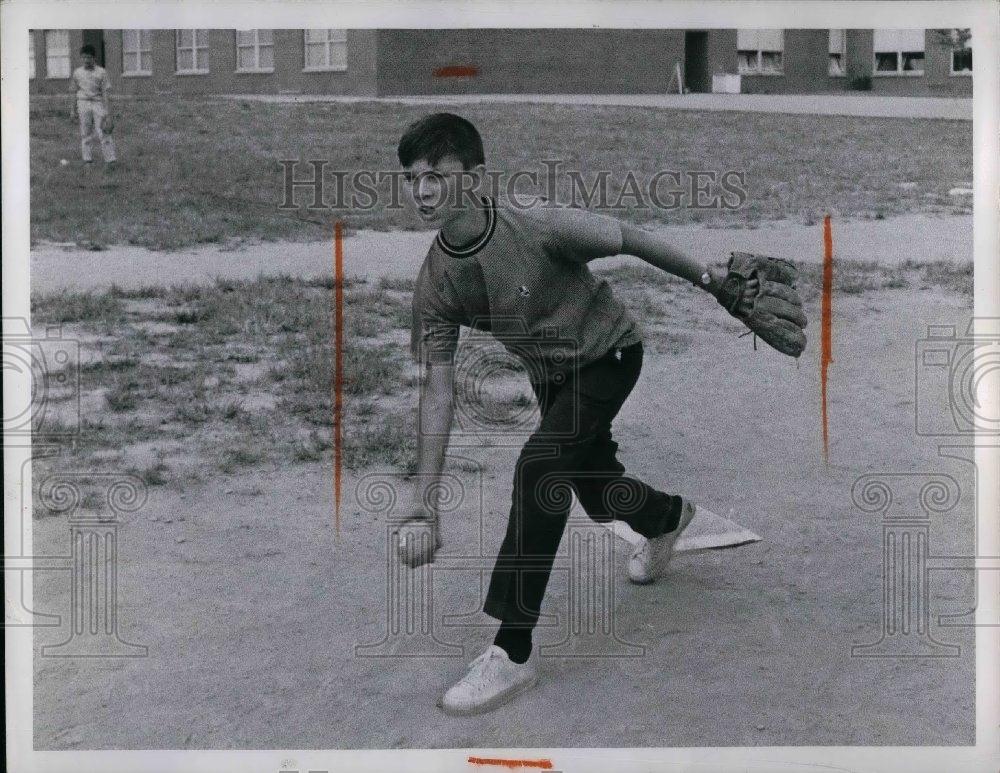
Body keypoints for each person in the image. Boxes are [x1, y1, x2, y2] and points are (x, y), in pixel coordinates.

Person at [397, 113, 757, 716]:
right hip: (554, 378)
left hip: (609, 353)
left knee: (540, 467)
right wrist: (424, 500)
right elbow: (437, 387)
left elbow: (630, 238)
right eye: (412, 178)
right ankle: (667, 517)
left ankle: (513, 650)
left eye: (437, 175)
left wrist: (711, 280)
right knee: (592, 490)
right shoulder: (435, 282)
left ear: (476, 178)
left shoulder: (533, 222)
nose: (423, 191)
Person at [69, 44, 117, 165]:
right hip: (83, 103)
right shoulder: (77, 73)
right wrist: (72, 110)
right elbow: (73, 92)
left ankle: (110, 160)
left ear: (94, 58)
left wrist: (107, 113)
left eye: (89, 57)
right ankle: (87, 160)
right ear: (81, 58)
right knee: (85, 133)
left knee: (104, 131)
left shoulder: (101, 72)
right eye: (84, 57)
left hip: (97, 103)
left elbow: (105, 93)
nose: (86, 60)